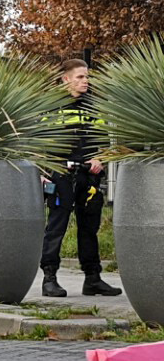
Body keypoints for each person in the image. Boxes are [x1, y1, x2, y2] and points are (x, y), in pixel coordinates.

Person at [42, 58, 121, 299]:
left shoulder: (93, 106)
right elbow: (41, 142)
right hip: (61, 174)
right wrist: (43, 172)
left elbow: (103, 140)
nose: (86, 81)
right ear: (66, 79)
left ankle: (93, 279)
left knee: (89, 229)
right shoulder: (51, 107)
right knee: (57, 227)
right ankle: (49, 279)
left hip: (89, 176)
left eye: (87, 77)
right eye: (80, 77)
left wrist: (100, 159)